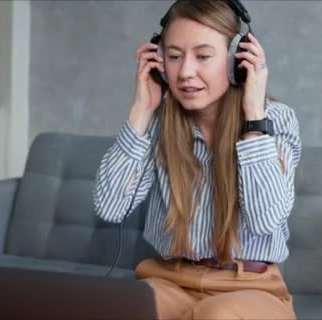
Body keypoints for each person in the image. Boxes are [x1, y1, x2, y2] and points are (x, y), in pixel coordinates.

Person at [93, 0, 301, 319]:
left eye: (203, 56)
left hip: (251, 288)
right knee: (120, 308)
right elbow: (110, 208)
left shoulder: (275, 120)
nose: (186, 72)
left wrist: (253, 119)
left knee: (216, 315)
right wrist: (141, 110)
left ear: (238, 59)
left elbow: (265, 220)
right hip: (170, 280)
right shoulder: (161, 125)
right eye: (174, 56)